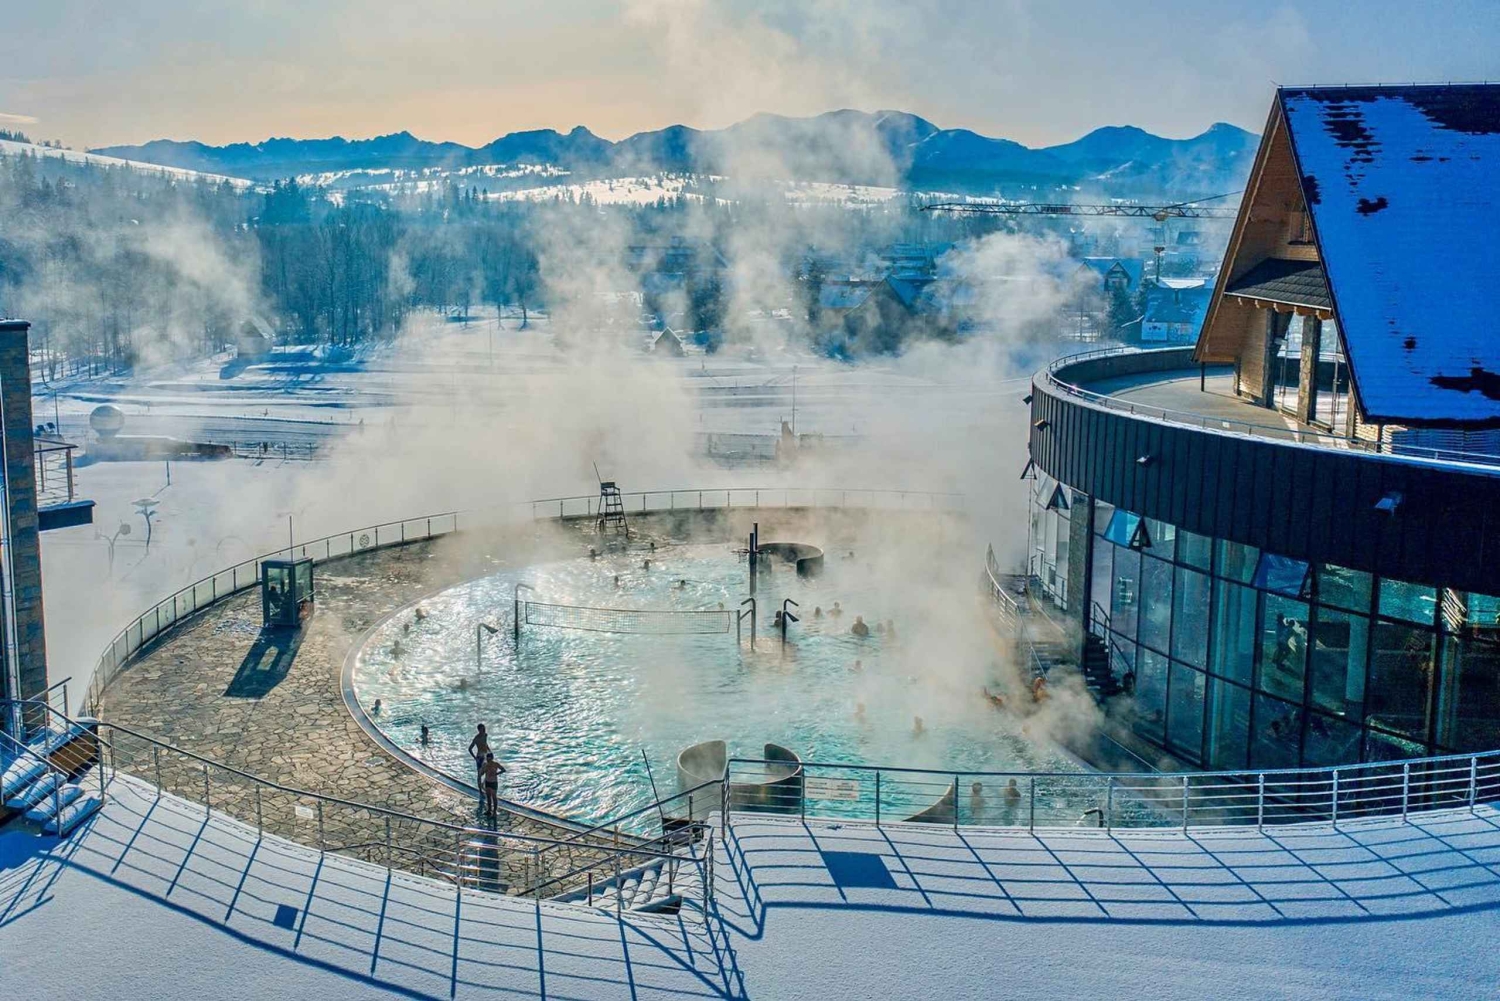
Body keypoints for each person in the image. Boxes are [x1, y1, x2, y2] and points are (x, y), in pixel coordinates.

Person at [468, 724, 490, 790]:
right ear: (478, 730)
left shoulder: (485, 735)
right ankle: (480, 789)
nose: (482, 730)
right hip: (480, 757)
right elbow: (470, 749)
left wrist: (490, 751)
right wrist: (475, 758)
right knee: (479, 774)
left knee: (488, 770)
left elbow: (486, 744)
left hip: (486, 755)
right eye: (481, 729)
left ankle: (483, 785)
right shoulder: (476, 738)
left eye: (483, 729)